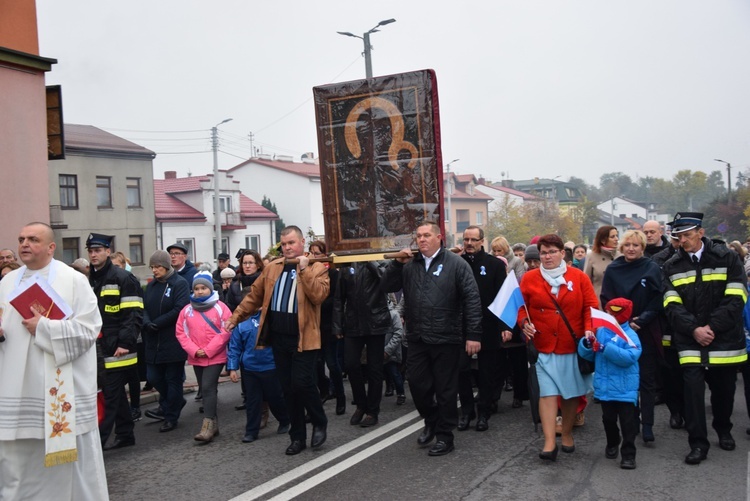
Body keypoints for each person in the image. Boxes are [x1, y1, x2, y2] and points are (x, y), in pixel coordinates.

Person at [0, 222, 109, 499]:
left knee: (69, 467)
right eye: (21, 239)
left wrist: (46, 328)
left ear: (51, 247)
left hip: (59, 390)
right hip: (16, 389)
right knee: (17, 461)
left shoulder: (73, 280)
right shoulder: (7, 282)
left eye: (33, 239)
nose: (24, 244)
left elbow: (89, 330)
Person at [225, 226, 330, 456]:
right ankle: (298, 436)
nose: (288, 247)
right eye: (284, 244)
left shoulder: (317, 268)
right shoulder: (273, 268)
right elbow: (254, 296)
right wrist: (236, 317)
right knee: (288, 389)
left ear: (302, 242)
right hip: (279, 338)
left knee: (302, 383)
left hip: (305, 338)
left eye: (292, 243)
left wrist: (303, 270)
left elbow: (318, 296)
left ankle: (319, 420)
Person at [381, 220, 482, 456]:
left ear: (439, 238)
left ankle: (445, 436)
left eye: (427, 235)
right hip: (417, 338)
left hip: (447, 337)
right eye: (418, 236)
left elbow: (472, 299)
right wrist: (396, 264)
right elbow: (386, 285)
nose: (422, 240)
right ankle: (431, 420)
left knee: (446, 391)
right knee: (418, 386)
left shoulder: (456, 264)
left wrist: (473, 334)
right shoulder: (409, 265)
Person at [662, 212, 748, 465]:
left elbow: (736, 298)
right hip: (689, 341)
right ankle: (698, 443)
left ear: (701, 232)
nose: (683, 240)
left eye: (688, 235)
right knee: (692, 394)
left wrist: (711, 327)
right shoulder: (671, 265)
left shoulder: (728, 258)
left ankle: (723, 429)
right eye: (679, 236)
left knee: (724, 391)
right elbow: (671, 304)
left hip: (724, 341)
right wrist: (694, 330)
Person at [518, 234, 598, 461]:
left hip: (571, 346)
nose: (547, 256)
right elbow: (521, 307)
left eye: (552, 251)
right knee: (547, 394)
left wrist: (590, 329)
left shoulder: (579, 277)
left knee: (571, 394)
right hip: (543, 346)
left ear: (563, 254)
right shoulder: (529, 278)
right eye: (543, 252)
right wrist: (524, 323)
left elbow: (590, 307)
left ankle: (568, 433)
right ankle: (549, 442)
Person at [600, 230, 662, 443]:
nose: (631, 249)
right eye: (627, 245)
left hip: (646, 328)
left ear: (642, 247)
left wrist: (640, 320)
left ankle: (647, 425)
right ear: (621, 247)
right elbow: (606, 298)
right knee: (628, 379)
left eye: (636, 245)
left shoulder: (651, 268)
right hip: (619, 329)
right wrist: (621, 322)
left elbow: (657, 299)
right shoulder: (614, 269)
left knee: (646, 377)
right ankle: (632, 422)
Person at [87, 233, 144, 450]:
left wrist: (125, 343)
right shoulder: (91, 279)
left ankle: (96, 445)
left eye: (98, 250)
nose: (93, 254)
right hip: (100, 345)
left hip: (119, 346)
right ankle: (125, 434)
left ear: (108, 252)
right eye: (91, 251)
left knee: (110, 395)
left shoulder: (123, 278)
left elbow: (133, 315)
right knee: (117, 393)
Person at [578, 298, 642, 469]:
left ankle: (628, 454)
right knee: (608, 419)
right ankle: (613, 442)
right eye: (607, 312)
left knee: (628, 422)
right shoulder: (601, 331)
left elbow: (630, 357)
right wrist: (587, 344)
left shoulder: (631, 336)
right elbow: (590, 355)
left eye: (612, 313)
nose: (608, 315)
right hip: (606, 388)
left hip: (625, 388)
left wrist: (605, 349)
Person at [459, 226, 507, 432]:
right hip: (460, 327)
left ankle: (484, 412)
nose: (469, 243)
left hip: (488, 326)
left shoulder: (494, 264)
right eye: (466, 239)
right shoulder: (456, 263)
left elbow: (503, 298)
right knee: (462, 372)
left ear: (482, 241)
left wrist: (505, 326)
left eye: (473, 239)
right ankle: (467, 411)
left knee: (487, 373)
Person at [175, 272, 232, 443]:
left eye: (203, 288)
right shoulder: (187, 310)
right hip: (196, 357)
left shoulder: (221, 307)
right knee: (206, 389)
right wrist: (194, 350)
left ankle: (207, 426)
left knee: (207, 387)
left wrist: (208, 350)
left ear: (210, 289)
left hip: (215, 356)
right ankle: (213, 424)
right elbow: (181, 332)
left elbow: (226, 330)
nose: (199, 292)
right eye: (196, 289)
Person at [334, 258, 390, 428]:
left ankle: (373, 411)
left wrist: (371, 262)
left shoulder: (381, 262)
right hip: (353, 323)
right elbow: (339, 298)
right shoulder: (347, 265)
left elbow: (386, 281)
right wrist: (337, 326)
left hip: (376, 321)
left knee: (375, 369)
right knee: (351, 365)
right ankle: (360, 404)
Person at [142, 250, 190, 432]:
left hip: (173, 340)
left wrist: (158, 323)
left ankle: (171, 416)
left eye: (158, 267)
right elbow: (144, 307)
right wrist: (147, 322)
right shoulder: (152, 286)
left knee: (173, 379)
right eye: (152, 267)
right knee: (153, 377)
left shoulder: (179, 283)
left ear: (166, 266)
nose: (154, 270)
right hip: (153, 339)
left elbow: (180, 308)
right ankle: (175, 401)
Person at [227, 308, 291, 443]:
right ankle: (251, 431)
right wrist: (232, 368)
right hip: (250, 369)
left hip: (271, 367)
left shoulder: (272, 319)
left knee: (275, 398)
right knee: (252, 401)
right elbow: (234, 347)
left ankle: (285, 420)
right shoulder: (242, 324)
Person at [309, 241, 345, 416]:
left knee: (332, 363)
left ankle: (340, 396)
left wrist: (317, 302)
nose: (315, 257)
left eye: (318, 253)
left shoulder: (333, 274)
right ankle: (322, 392)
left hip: (328, 325)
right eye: (312, 253)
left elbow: (336, 300)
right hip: (313, 326)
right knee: (316, 364)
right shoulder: (308, 273)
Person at [584, 225, 618, 303]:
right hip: (598, 301)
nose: (616, 239)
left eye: (616, 236)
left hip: (618, 301)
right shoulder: (592, 256)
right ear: (603, 240)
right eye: (612, 237)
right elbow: (586, 282)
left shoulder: (621, 256)